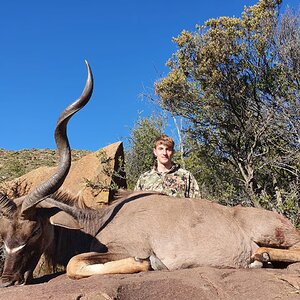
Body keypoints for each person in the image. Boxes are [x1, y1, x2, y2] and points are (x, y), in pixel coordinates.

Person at [134, 134, 200, 198]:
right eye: (161, 149)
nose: (164, 153)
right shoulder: (144, 178)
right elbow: (135, 205)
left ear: (173, 152)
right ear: (155, 152)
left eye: (168, 149)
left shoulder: (186, 176)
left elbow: (196, 204)